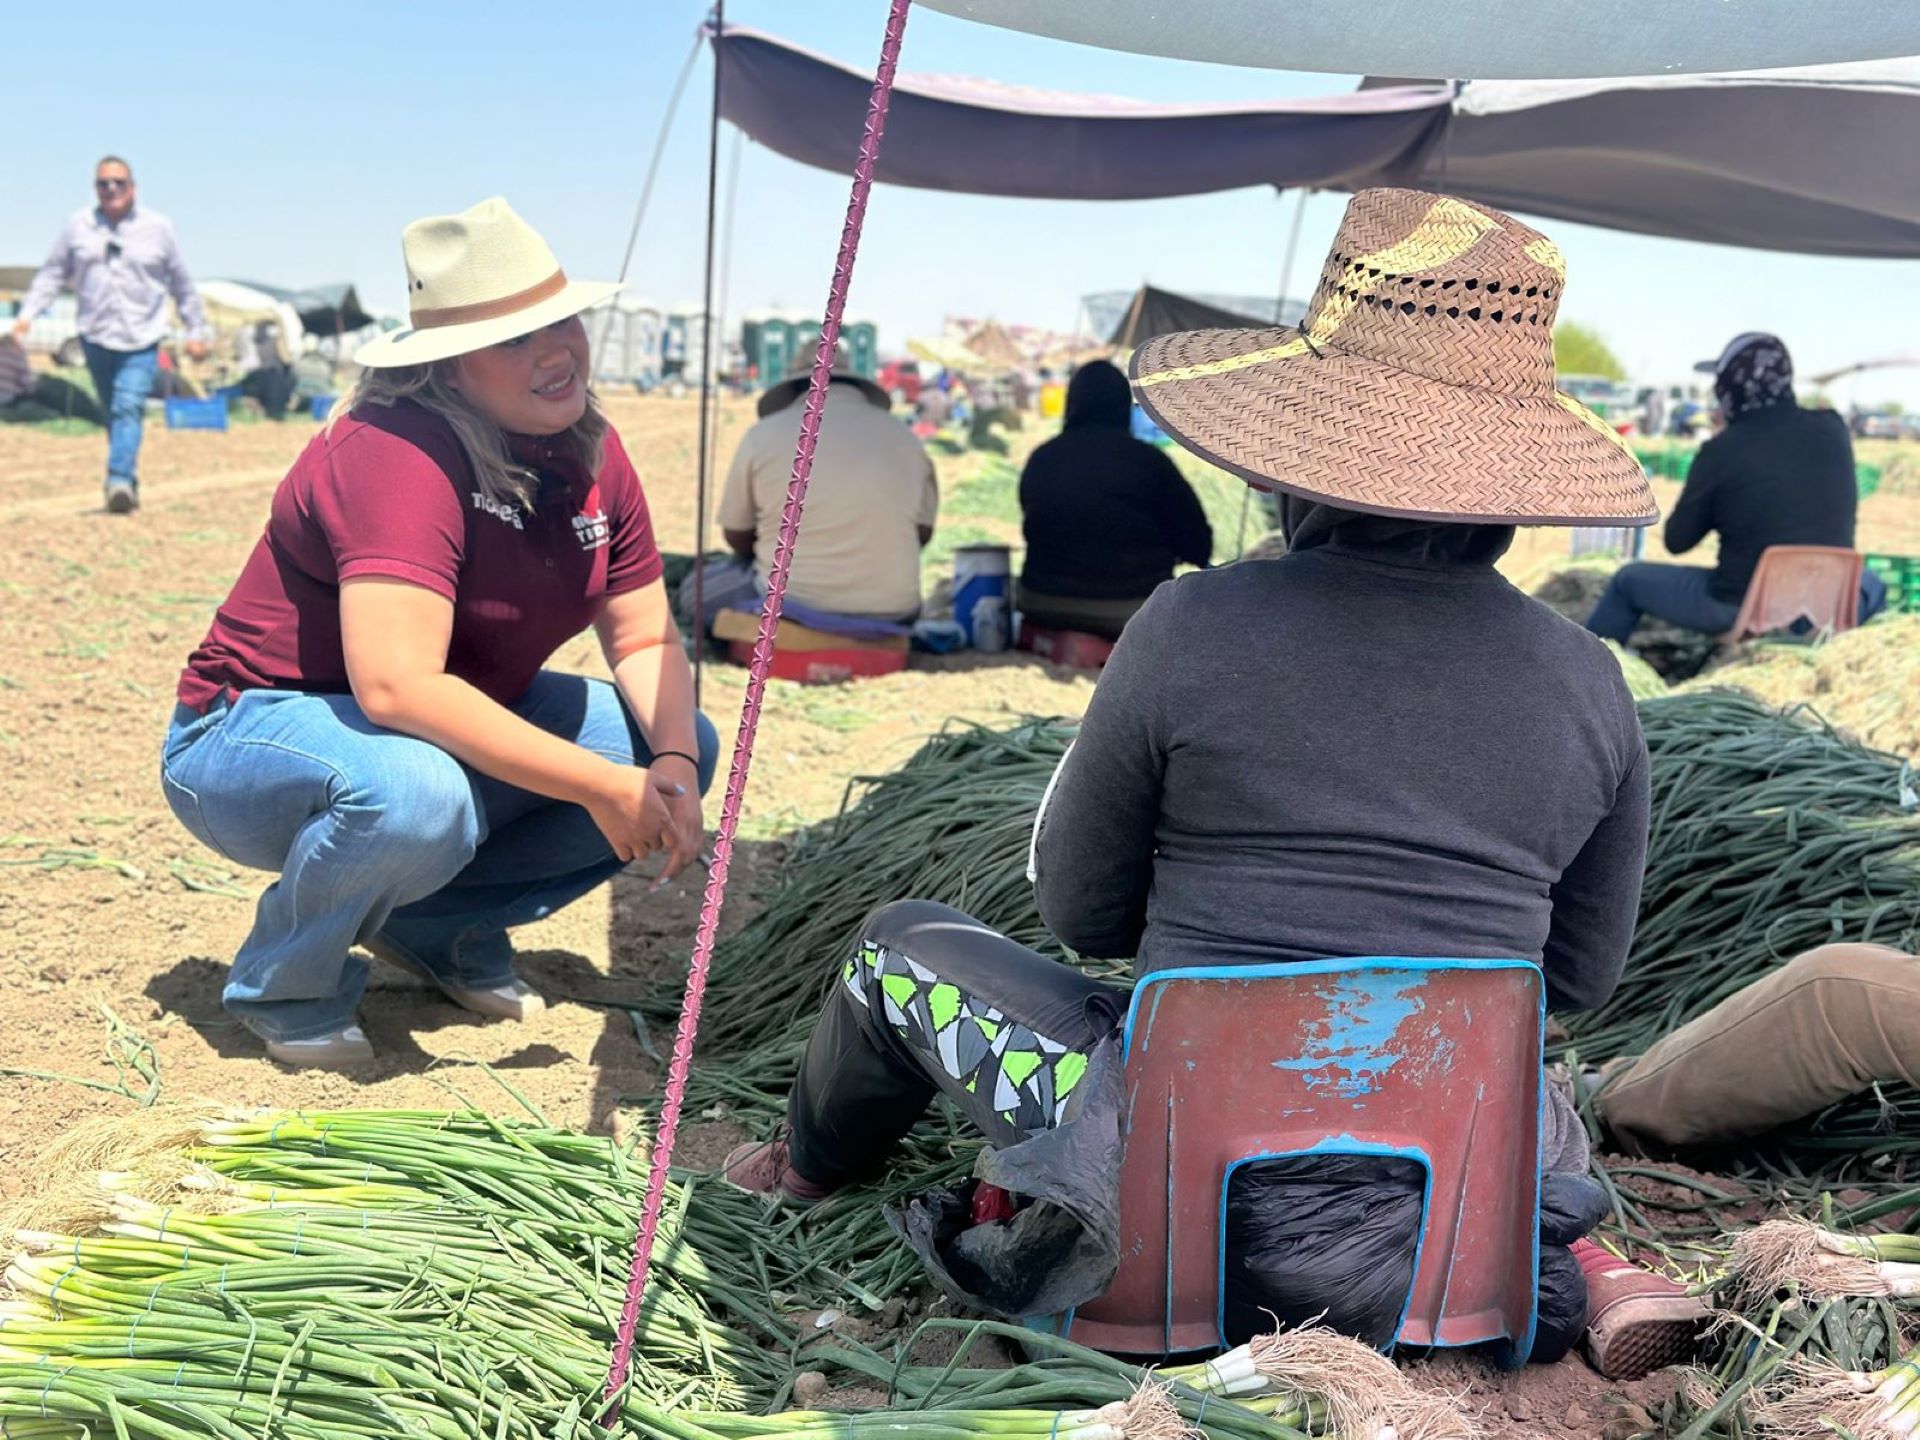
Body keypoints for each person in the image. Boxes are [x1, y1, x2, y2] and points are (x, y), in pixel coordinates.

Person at [724, 189, 1700, 1378]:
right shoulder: (1591, 680)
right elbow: (1579, 981)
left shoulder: (1192, 627)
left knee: (894, 947)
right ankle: (1584, 1261)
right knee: (1523, 1056)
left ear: (1300, 458)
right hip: (1444, 1226)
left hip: (1170, 1206)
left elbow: (1081, 910)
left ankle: (801, 1170)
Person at [161, 197, 716, 1069]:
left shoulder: (590, 449)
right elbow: (396, 687)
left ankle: (438, 926)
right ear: (449, 367)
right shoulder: (395, 451)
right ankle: (287, 982)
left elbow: (644, 631)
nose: (554, 352)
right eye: (511, 340)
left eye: (560, 321)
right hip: (253, 729)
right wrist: (602, 788)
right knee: (421, 795)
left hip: (428, 723)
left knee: (664, 740)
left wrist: (671, 766)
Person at [1585, 333, 1887, 642]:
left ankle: (1586, 673)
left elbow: (1678, 540)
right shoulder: (1832, 427)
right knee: (1873, 583)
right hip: (1830, 604)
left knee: (1627, 580)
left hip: (1742, 606)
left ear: (1730, 387)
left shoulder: (1721, 451)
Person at [688, 346, 936, 633]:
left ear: (794, 387)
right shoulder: (906, 438)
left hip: (788, 604)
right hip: (893, 610)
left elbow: (736, 534)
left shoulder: (763, 434)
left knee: (696, 591)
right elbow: (922, 533)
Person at [12, 156, 211, 514]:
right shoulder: (79, 226)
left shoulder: (159, 228)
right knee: (113, 409)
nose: (111, 189)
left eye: (118, 182)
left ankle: (118, 480)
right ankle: (127, 476)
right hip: (95, 336)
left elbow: (182, 284)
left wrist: (195, 329)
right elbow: (53, 274)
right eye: (104, 184)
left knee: (127, 405)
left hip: (142, 337)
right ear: (96, 189)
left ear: (132, 187)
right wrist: (26, 315)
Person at [1015, 359, 1212, 639]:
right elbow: (1199, 546)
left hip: (1041, 602)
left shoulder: (1042, 458)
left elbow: (1033, 516)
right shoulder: (1150, 462)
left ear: (1071, 405)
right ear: (1123, 408)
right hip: (1129, 610)